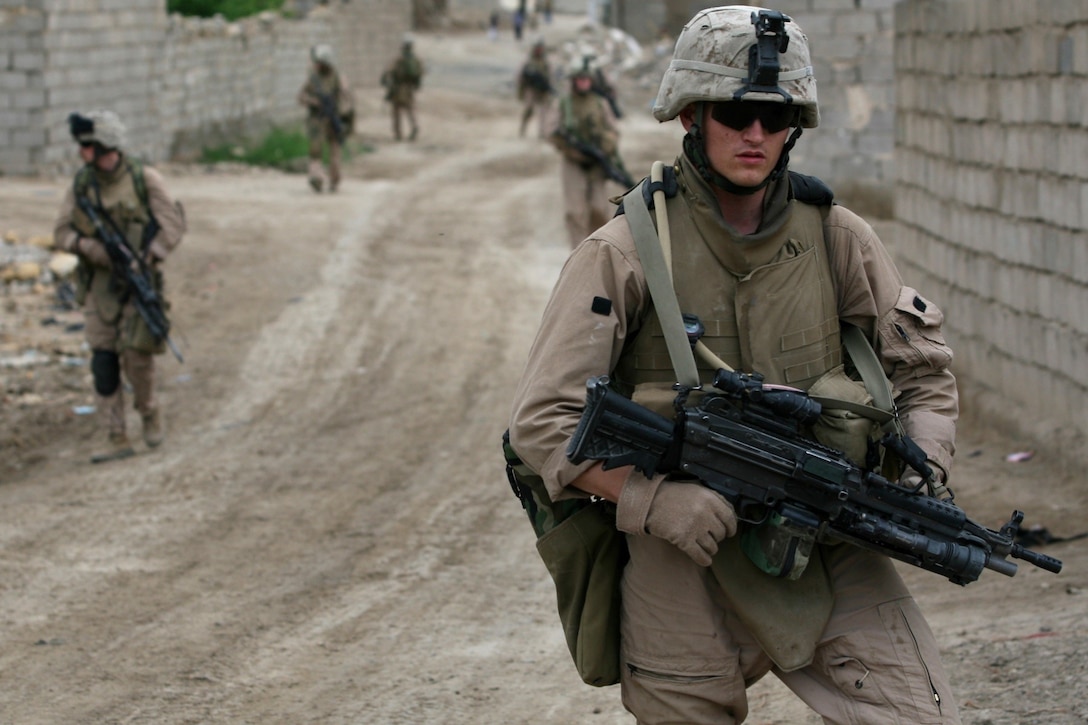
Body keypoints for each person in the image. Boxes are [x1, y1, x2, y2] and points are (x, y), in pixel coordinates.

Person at [509, 6, 962, 723]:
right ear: (691, 114)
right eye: (735, 111)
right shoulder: (624, 251)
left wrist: (923, 467)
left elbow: (922, 371)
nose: (755, 134)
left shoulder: (839, 238)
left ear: (795, 127)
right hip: (680, 557)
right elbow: (542, 423)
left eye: (775, 118)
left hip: (825, 537)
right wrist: (654, 501)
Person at [53, 110, 186, 464]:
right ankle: (115, 434)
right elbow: (62, 233)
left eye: (88, 148)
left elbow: (171, 225)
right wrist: (90, 248)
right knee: (103, 360)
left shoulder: (144, 179)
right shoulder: (82, 186)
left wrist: (148, 257)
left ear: (105, 147)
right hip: (99, 285)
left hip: (138, 282)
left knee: (137, 357)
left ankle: (149, 412)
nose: (83, 155)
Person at [545, 56, 621, 248]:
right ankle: (578, 254)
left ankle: (599, 250)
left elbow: (613, 131)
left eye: (586, 79)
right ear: (573, 80)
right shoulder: (564, 103)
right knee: (575, 212)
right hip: (573, 162)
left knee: (599, 209)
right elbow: (551, 131)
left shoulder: (599, 103)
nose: (583, 82)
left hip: (596, 164)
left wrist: (605, 146)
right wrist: (570, 149)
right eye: (579, 79)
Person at [298, 43, 354, 193]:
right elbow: (301, 97)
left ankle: (334, 179)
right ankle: (316, 178)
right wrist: (313, 101)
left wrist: (343, 115)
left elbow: (346, 97)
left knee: (335, 151)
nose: (317, 65)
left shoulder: (338, 77)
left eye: (319, 62)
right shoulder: (313, 78)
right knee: (315, 151)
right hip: (317, 119)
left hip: (333, 118)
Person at [381, 34, 424, 142]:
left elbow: (388, 70)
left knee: (396, 111)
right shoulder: (416, 59)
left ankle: (398, 133)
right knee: (411, 109)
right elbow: (421, 72)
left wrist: (384, 80)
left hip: (398, 88)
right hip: (409, 88)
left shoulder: (398, 58)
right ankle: (414, 126)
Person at [516, 38, 554, 138]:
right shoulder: (528, 62)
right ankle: (523, 128)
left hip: (542, 90)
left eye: (540, 48)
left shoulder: (546, 62)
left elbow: (549, 77)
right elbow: (521, 78)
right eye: (537, 48)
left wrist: (549, 90)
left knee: (544, 112)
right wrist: (520, 92)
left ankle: (542, 132)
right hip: (531, 89)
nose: (539, 50)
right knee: (529, 109)